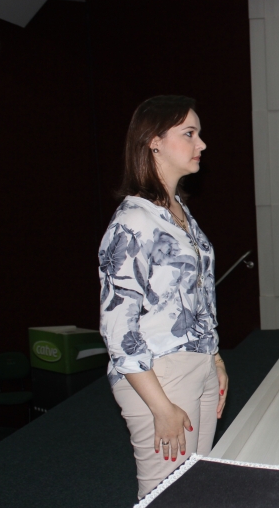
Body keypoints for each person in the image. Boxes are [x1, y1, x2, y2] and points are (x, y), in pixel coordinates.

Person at [98, 95, 229, 499]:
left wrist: (215, 358)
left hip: (198, 365)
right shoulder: (134, 220)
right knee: (165, 497)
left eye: (199, 133)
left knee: (196, 491)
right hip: (159, 377)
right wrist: (160, 406)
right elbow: (116, 327)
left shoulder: (178, 211)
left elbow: (196, 295)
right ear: (153, 142)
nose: (201, 143)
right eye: (189, 133)